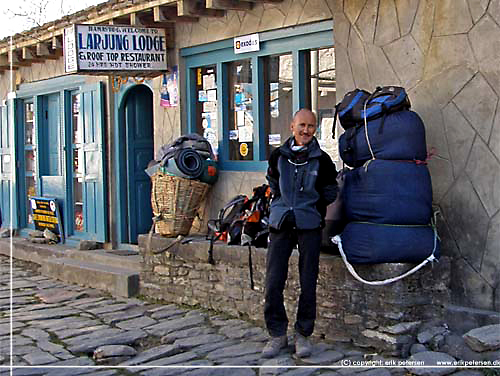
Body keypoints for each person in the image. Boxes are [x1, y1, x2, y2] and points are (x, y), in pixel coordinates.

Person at [262, 108, 338, 358]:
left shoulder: (323, 160)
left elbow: (329, 190)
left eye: (311, 127)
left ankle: (303, 335)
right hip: (281, 223)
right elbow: (272, 183)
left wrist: (313, 208)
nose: (306, 131)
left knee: (308, 282)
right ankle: (277, 334)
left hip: (309, 225)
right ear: (292, 126)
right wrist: (280, 205)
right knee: (274, 280)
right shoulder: (278, 157)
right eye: (302, 125)